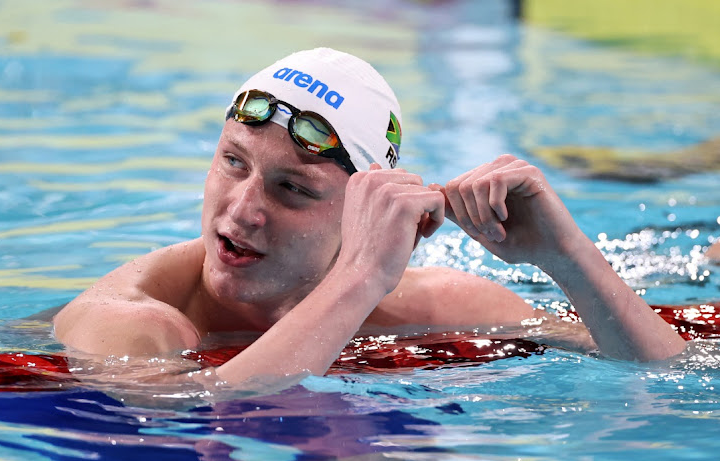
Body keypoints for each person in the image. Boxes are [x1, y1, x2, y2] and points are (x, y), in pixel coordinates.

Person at [53, 48, 686, 392]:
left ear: (366, 208)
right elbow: (197, 414)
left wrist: (566, 256)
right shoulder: (132, 322)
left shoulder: (437, 304)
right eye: (232, 162)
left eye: (293, 189)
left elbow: (670, 376)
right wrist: (361, 276)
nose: (242, 210)